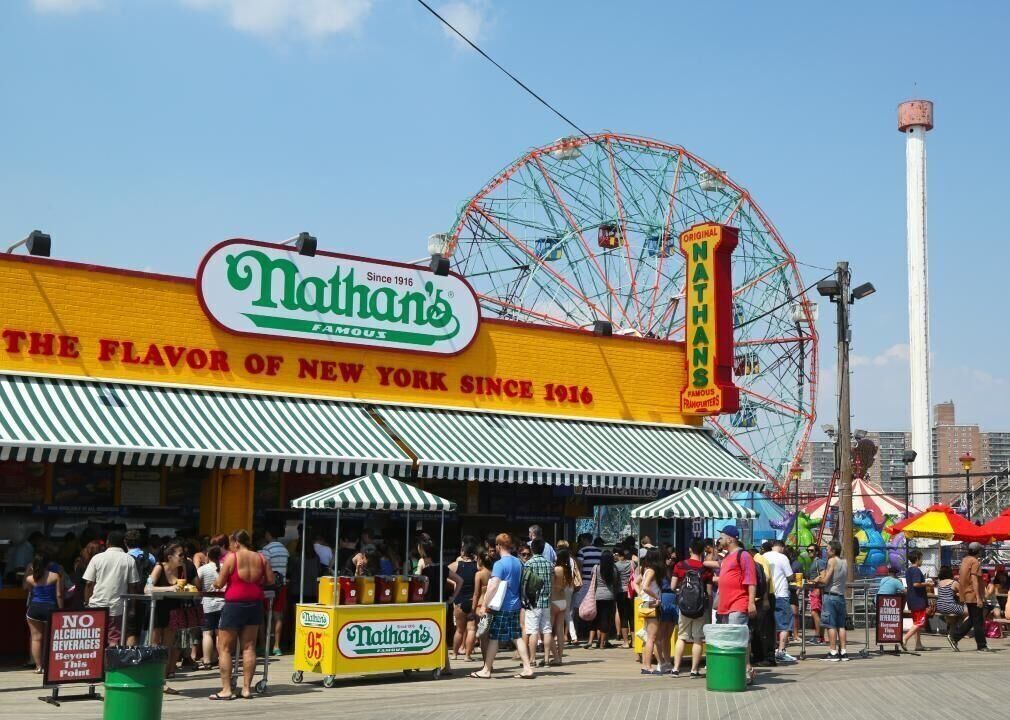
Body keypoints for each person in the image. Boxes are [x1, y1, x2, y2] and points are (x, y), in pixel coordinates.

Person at [212, 530, 274, 700]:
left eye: (232, 544)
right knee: (249, 647)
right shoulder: (261, 558)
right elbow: (271, 580)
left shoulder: (233, 557)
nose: (231, 547)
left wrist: (215, 581)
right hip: (255, 603)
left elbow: (219, 583)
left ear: (237, 543)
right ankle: (247, 689)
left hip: (234, 605)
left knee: (224, 648)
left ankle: (226, 690)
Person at [471, 533, 534, 679]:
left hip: (501, 607)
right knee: (517, 636)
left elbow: (493, 586)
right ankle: (527, 667)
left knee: (494, 638)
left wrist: (484, 604)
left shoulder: (499, 564)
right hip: (515, 605)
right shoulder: (518, 562)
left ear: (498, 546)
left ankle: (486, 670)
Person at [146, 541, 193, 690]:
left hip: (174, 609)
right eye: (180, 555)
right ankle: (151, 678)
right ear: (170, 556)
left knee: (167, 646)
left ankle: (162, 680)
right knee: (154, 645)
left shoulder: (182, 569)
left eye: (184, 555)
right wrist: (169, 589)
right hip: (157, 609)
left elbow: (183, 586)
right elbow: (147, 589)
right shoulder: (159, 567)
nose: (183, 558)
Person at [83, 531, 140, 649]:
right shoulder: (129, 559)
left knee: (96, 639)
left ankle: (97, 664)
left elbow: (89, 583)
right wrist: (132, 608)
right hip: (117, 608)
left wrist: (86, 602)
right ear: (123, 543)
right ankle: (110, 665)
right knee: (114, 640)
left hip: (96, 607)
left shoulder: (97, 558)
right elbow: (132, 586)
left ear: (108, 542)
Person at [715, 525, 756, 684]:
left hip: (738, 602)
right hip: (725, 605)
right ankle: (737, 669)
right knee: (731, 639)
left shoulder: (743, 556)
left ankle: (745, 669)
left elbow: (750, 580)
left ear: (730, 539)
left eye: (722, 537)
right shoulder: (726, 557)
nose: (720, 539)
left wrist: (751, 602)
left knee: (738, 638)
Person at [670, 538, 713, 678]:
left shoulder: (680, 565)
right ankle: (694, 670)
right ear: (702, 551)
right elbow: (709, 591)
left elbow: (672, 586)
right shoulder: (705, 568)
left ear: (690, 549)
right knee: (697, 639)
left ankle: (676, 669)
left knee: (681, 637)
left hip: (684, 607)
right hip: (700, 608)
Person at [24, 546, 62, 673]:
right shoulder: (55, 576)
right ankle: (49, 665)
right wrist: (61, 610)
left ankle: (39, 666)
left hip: (34, 609)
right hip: (50, 609)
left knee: (36, 638)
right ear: (48, 563)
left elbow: (28, 590)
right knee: (50, 638)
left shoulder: (30, 578)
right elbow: (59, 595)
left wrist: (29, 571)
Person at [949, 541, 989, 652]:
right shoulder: (975, 562)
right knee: (978, 621)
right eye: (980, 550)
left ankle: (955, 637)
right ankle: (982, 645)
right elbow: (974, 580)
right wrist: (979, 597)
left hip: (966, 594)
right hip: (973, 594)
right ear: (978, 551)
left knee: (973, 619)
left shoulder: (965, 560)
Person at [763, 539, 797, 663]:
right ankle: (781, 651)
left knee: (769, 625)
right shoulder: (783, 558)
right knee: (785, 624)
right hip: (781, 594)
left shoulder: (763, 556)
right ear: (782, 547)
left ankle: (770, 650)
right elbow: (790, 576)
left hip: (767, 595)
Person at [814, 540, 849, 662]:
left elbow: (825, 581)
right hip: (840, 595)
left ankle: (833, 651)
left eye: (827, 549)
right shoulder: (844, 562)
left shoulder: (832, 561)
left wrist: (817, 580)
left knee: (831, 625)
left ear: (833, 550)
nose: (826, 551)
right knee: (841, 625)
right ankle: (844, 651)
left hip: (830, 595)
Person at [258, 528, 289, 656]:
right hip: (282, 586)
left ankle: (264, 646)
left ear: (268, 533)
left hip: (268, 586)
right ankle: (276, 646)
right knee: (278, 616)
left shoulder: (267, 549)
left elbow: (264, 568)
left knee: (264, 616)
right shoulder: (285, 550)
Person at [524, 538, 554, 666]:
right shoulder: (549, 564)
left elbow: (525, 583)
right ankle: (547, 659)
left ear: (532, 549)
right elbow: (552, 582)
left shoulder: (529, 563)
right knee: (547, 629)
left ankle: (532, 659)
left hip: (533, 602)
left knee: (533, 630)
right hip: (546, 601)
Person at [449, 539, 479, 661]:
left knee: (459, 630)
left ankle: (454, 654)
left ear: (463, 552)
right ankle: (467, 655)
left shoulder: (457, 565)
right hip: (472, 601)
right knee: (471, 629)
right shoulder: (477, 566)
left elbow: (443, 572)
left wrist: (453, 582)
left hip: (460, 601)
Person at [637, 548, 665, 675]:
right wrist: (656, 597)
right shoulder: (652, 571)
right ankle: (648, 666)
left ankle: (645, 665)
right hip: (651, 605)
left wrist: (641, 595)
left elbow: (637, 584)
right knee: (651, 638)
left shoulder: (645, 569)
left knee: (647, 637)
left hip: (645, 604)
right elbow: (646, 586)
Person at [197, 546, 224, 670]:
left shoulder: (203, 569)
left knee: (207, 633)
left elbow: (197, 583)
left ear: (207, 555)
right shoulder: (224, 567)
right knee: (220, 633)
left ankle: (206, 661)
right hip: (224, 602)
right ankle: (221, 659)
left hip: (208, 603)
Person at [549, 548, 574, 665]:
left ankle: (555, 656)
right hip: (563, 601)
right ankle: (560, 656)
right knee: (560, 630)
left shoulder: (556, 569)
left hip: (554, 600)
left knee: (548, 630)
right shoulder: (568, 570)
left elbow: (551, 584)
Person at [590, 548, 618, 650]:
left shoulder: (596, 568)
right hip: (609, 596)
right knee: (606, 619)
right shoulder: (613, 569)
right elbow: (615, 582)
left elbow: (593, 580)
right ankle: (602, 643)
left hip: (597, 595)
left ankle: (595, 641)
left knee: (597, 618)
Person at [902, 550, 929, 651]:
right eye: (921, 558)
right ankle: (905, 638)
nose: (922, 561)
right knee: (920, 622)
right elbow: (916, 584)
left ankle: (918, 644)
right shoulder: (916, 570)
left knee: (916, 622)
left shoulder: (908, 570)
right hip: (918, 599)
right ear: (917, 559)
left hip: (911, 599)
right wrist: (928, 584)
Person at [805, 544, 826, 643]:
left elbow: (823, 575)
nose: (809, 552)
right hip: (814, 589)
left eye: (811, 550)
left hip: (816, 590)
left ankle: (818, 636)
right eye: (808, 550)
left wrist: (813, 582)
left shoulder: (819, 562)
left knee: (815, 612)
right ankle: (820, 636)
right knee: (817, 612)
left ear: (817, 552)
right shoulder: (814, 562)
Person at [615, 547, 634, 648]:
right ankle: (634, 641)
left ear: (618, 554)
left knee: (623, 617)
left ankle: (626, 642)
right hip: (631, 591)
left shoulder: (616, 566)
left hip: (620, 592)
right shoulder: (632, 563)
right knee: (631, 616)